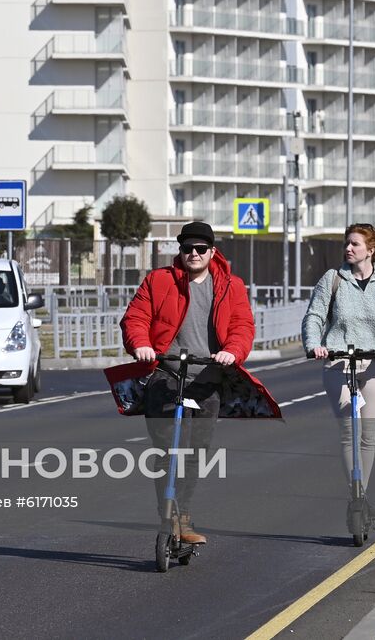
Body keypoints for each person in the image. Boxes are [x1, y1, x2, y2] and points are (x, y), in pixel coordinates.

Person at [119, 221, 255, 546]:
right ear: (179, 251)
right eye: (187, 249)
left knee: (195, 453)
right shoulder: (159, 280)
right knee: (167, 450)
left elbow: (242, 325)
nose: (193, 254)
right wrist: (140, 343)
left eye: (200, 249)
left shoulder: (229, 285)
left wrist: (232, 352)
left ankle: (184, 515)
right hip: (166, 375)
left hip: (207, 378)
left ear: (212, 252)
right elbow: (135, 318)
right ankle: (167, 514)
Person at [301, 223, 375, 522]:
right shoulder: (333, 279)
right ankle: (357, 498)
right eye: (346, 244)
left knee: (369, 436)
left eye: (355, 244)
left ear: (370, 250)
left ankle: (360, 496)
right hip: (339, 364)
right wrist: (314, 345)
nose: (348, 249)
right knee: (351, 432)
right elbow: (314, 315)